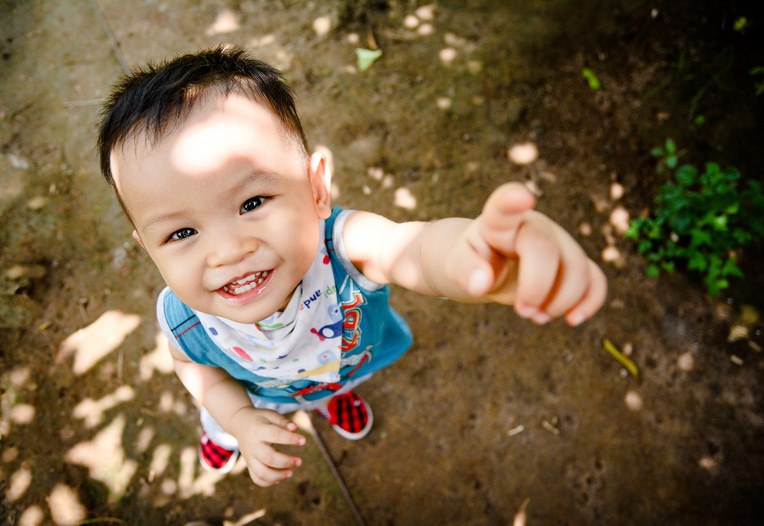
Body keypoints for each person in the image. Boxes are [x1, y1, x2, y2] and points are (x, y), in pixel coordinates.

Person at [97, 45, 607, 488]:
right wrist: (239, 417)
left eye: (252, 202)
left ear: (316, 188)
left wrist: (473, 255)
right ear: (148, 247)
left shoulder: (342, 247)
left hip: (333, 365)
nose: (227, 252)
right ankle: (226, 434)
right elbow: (195, 366)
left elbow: (414, 249)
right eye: (181, 233)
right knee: (226, 419)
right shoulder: (182, 314)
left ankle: (326, 400)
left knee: (334, 382)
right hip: (250, 394)